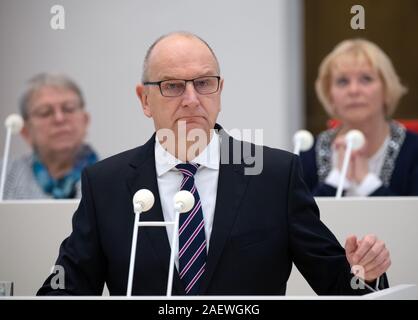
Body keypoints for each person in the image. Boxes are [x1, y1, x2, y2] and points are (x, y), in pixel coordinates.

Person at [38, 32, 390, 296]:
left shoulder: (274, 175)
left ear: (219, 91)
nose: (192, 100)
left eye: (204, 84)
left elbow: (339, 284)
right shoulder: (106, 185)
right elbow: (66, 289)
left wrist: (366, 272)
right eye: (173, 86)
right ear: (145, 99)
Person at [300, 39, 418, 196]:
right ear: (330, 95)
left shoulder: (414, 151)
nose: (354, 90)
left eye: (366, 79)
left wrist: (367, 182)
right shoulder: (308, 153)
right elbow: (299, 218)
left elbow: (410, 219)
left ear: (387, 89)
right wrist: (337, 180)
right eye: (342, 81)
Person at [2, 73, 98, 199]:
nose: (59, 119)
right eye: (45, 112)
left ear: (85, 121)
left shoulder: (113, 174)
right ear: (26, 131)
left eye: (68, 109)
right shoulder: (4, 176)